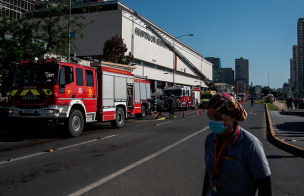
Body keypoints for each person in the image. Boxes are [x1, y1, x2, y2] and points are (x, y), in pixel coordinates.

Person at [202, 92, 272, 196]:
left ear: (233, 117)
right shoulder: (210, 140)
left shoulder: (249, 144)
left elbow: (264, 185)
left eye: (217, 117)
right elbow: (209, 175)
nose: (212, 121)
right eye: (210, 117)